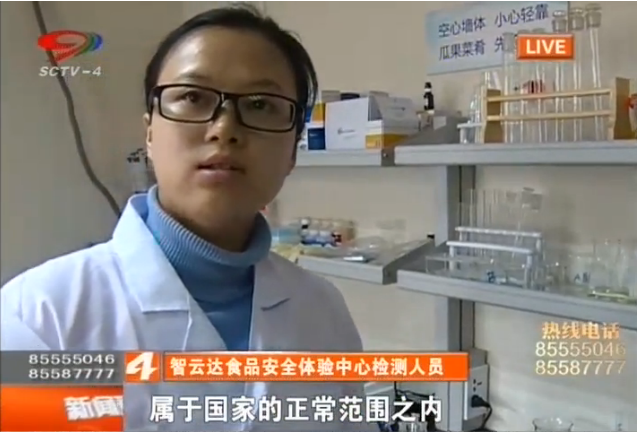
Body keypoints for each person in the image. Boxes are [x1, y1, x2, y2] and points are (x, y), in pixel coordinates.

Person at [1, 5, 376, 431]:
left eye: (260, 104)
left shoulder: (322, 310)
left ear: (293, 150)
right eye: (193, 97)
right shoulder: (43, 317)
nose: (224, 129)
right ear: (149, 133)